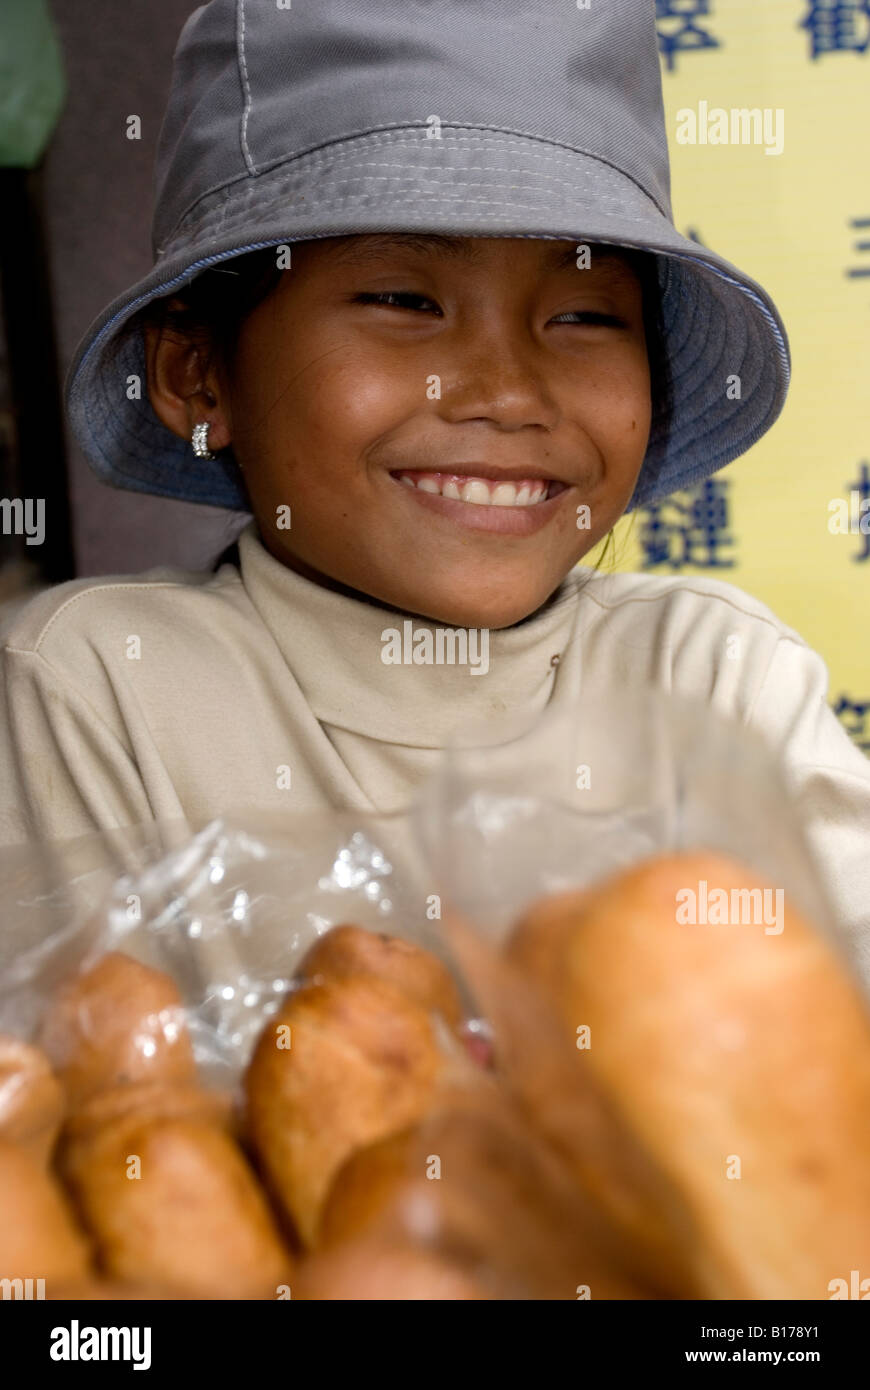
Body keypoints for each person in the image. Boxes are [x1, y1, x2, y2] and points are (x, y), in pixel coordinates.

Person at [1, 0, 868, 985]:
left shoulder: (715, 677)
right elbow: (97, 1098)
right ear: (199, 371)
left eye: (586, 313)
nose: (506, 392)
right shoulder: (98, 687)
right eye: (405, 300)